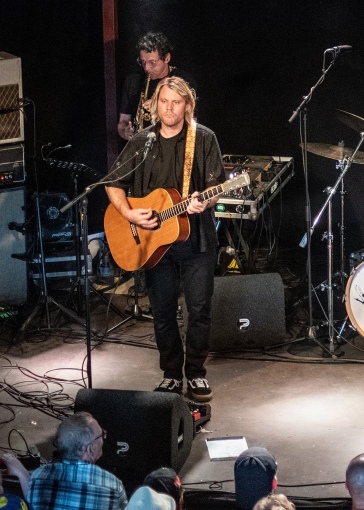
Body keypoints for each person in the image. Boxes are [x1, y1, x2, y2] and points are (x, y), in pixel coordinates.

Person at [106, 76, 224, 401]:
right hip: (153, 245)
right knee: (163, 311)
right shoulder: (142, 141)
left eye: (176, 102)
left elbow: (217, 186)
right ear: (156, 104)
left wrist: (205, 200)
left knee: (199, 309)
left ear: (188, 105)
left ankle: (196, 373)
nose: (169, 108)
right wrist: (129, 214)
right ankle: (171, 374)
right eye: (164, 101)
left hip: (196, 240)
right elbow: (113, 183)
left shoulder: (203, 139)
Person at [27, 412, 128, 510]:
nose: (103, 438)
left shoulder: (37, 477)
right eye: (101, 435)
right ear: (90, 449)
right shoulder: (113, 485)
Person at [118, 32, 197, 141]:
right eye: (143, 62)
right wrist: (125, 131)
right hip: (141, 149)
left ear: (167, 58)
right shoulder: (133, 81)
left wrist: (159, 108)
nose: (147, 68)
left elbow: (192, 124)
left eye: (152, 62)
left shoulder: (183, 80)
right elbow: (123, 121)